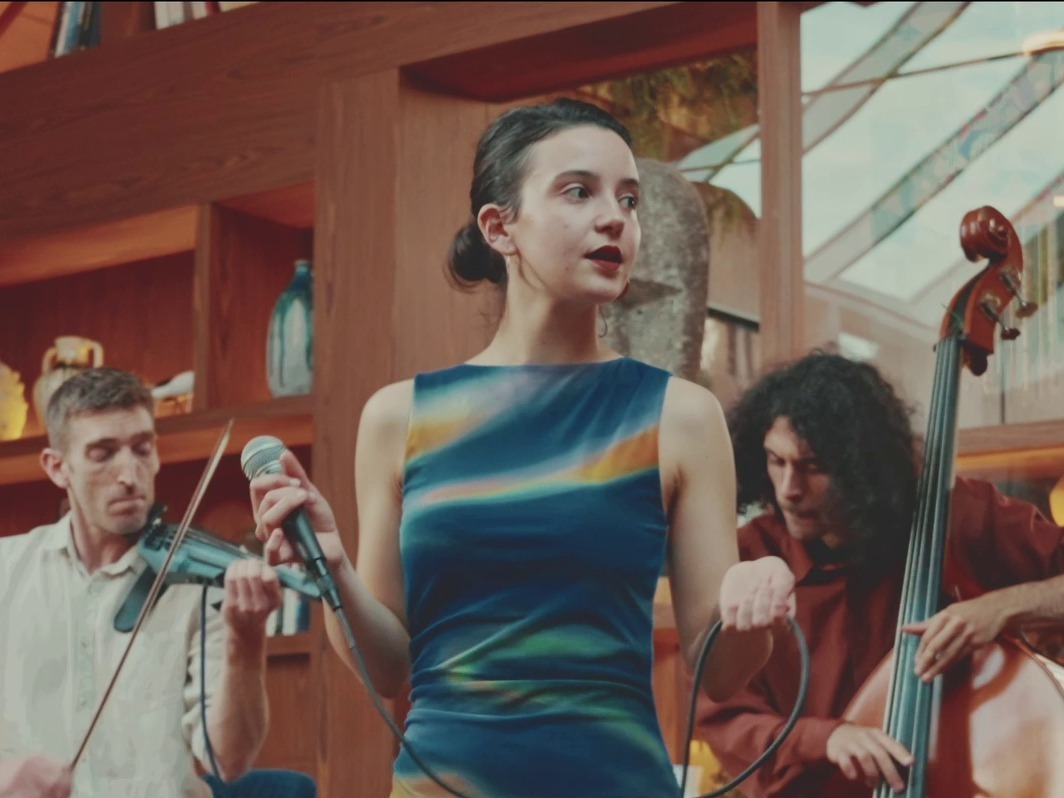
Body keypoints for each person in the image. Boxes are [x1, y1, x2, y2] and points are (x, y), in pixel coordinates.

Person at [249, 97, 796, 798]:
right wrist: (334, 571)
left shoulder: (681, 415)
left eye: (628, 199)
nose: (615, 218)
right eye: (579, 191)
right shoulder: (397, 417)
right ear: (499, 227)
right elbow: (388, 668)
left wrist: (757, 600)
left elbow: (718, 670)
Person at [695, 351, 1064, 798]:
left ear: (861, 467)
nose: (789, 489)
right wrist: (826, 738)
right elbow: (722, 713)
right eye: (776, 461)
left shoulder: (959, 516)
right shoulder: (751, 556)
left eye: (814, 467)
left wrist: (999, 608)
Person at [0, 367, 314, 798]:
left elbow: (230, 760)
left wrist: (246, 638)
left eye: (142, 449)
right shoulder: (6, 570)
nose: (129, 475)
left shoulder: (202, 581)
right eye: (103, 454)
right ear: (58, 467)